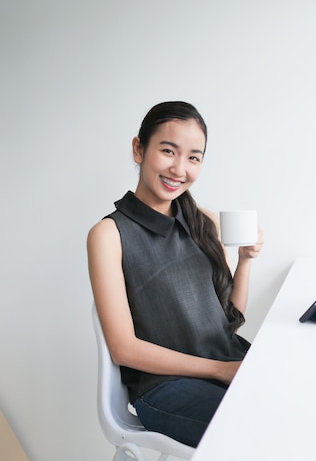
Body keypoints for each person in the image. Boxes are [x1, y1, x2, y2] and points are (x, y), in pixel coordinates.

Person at [87, 101, 263, 447]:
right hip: (164, 388)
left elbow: (230, 319)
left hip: (228, 365)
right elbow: (123, 349)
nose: (179, 168)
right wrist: (221, 370)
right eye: (168, 151)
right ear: (139, 149)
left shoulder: (205, 220)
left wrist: (244, 260)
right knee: (258, 430)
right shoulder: (109, 235)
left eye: (194, 157)